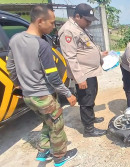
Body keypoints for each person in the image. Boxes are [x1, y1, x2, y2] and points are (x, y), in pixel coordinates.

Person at [6, 4, 78, 166]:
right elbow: (52, 77)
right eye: (51, 23)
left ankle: (43, 150)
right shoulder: (42, 45)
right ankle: (60, 156)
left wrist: (19, 83)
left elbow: (10, 67)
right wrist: (68, 93)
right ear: (40, 21)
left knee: (47, 121)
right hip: (43, 95)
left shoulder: (15, 39)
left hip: (29, 96)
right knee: (57, 124)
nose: (53, 26)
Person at [58, 3, 108, 137]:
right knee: (86, 100)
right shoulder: (68, 30)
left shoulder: (79, 27)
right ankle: (89, 129)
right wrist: (80, 79)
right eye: (87, 20)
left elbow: (84, 49)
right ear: (77, 16)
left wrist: (99, 54)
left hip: (90, 71)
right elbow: (70, 57)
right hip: (83, 73)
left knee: (91, 96)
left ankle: (90, 119)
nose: (89, 23)